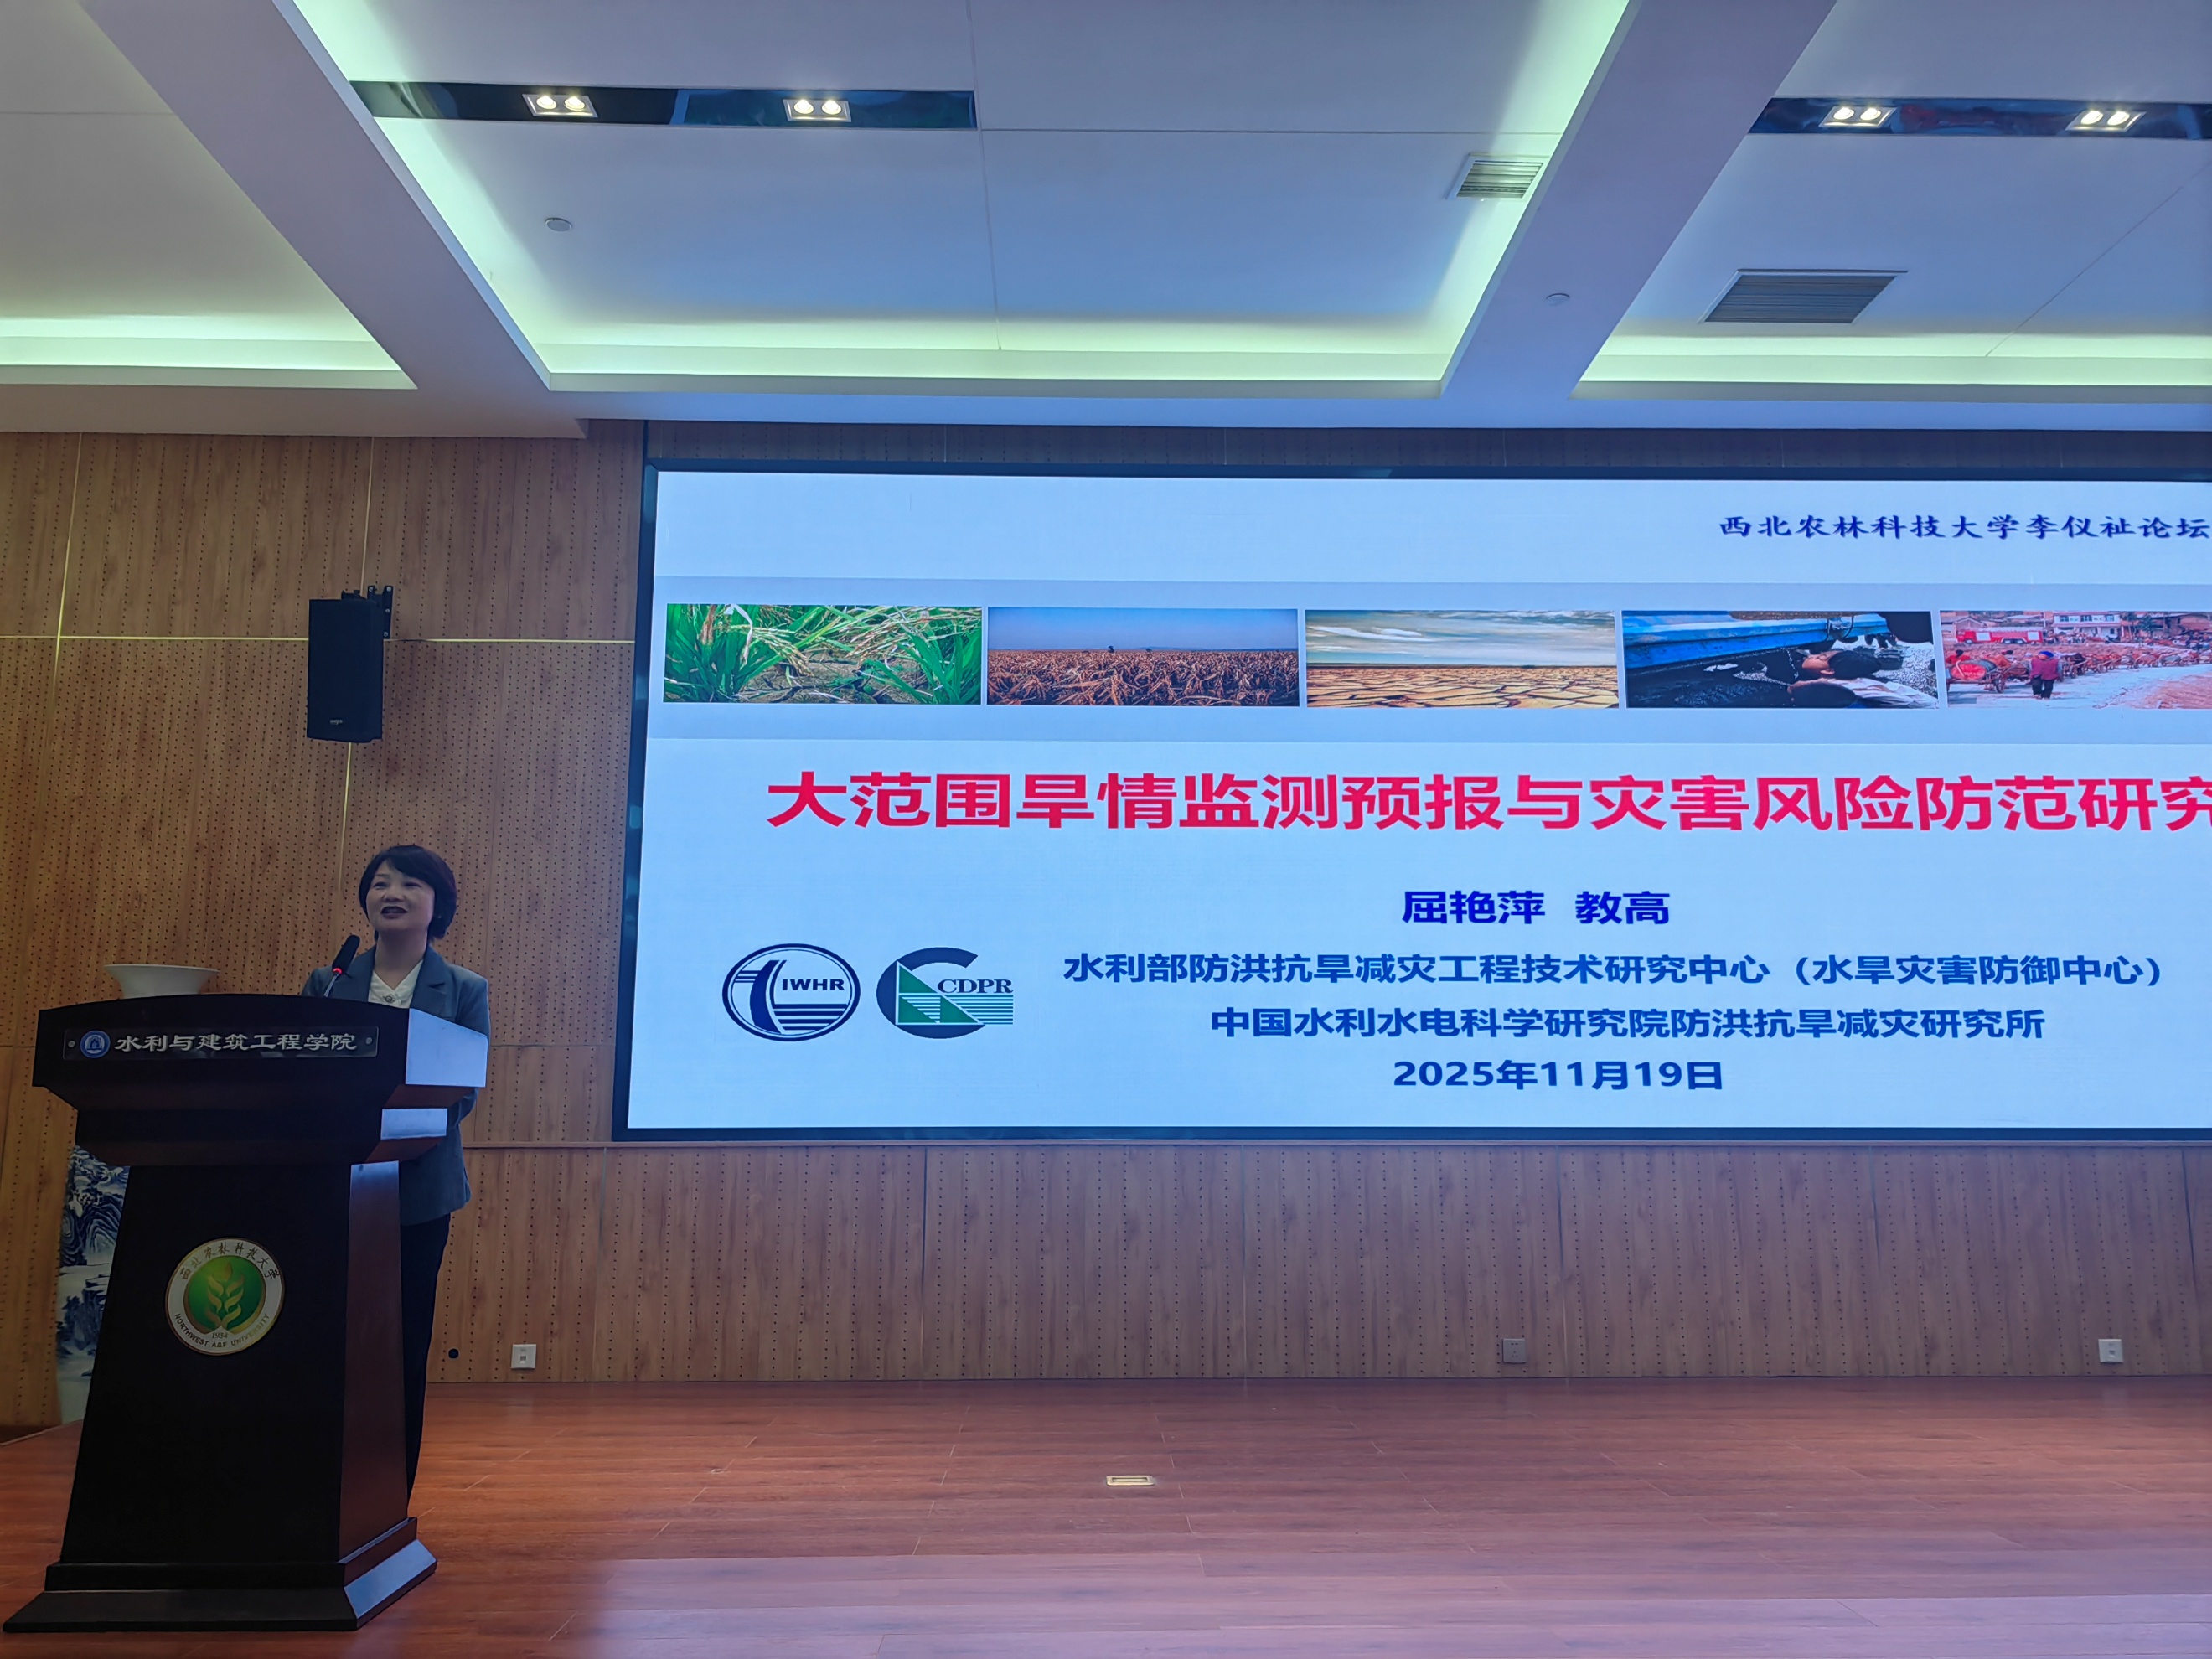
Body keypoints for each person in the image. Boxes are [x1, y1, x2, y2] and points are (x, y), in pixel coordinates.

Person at [303, 845, 489, 1493]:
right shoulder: (329, 983)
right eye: (381, 883)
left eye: (411, 884)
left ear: (438, 905)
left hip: (419, 1189)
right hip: (334, 1186)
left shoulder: (463, 989)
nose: (393, 893)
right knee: (327, 1338)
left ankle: (387, 1491)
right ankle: (318, 1484)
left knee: (402, 1342)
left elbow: (463, 1091)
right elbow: (303, 1078)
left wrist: (392, 1128)